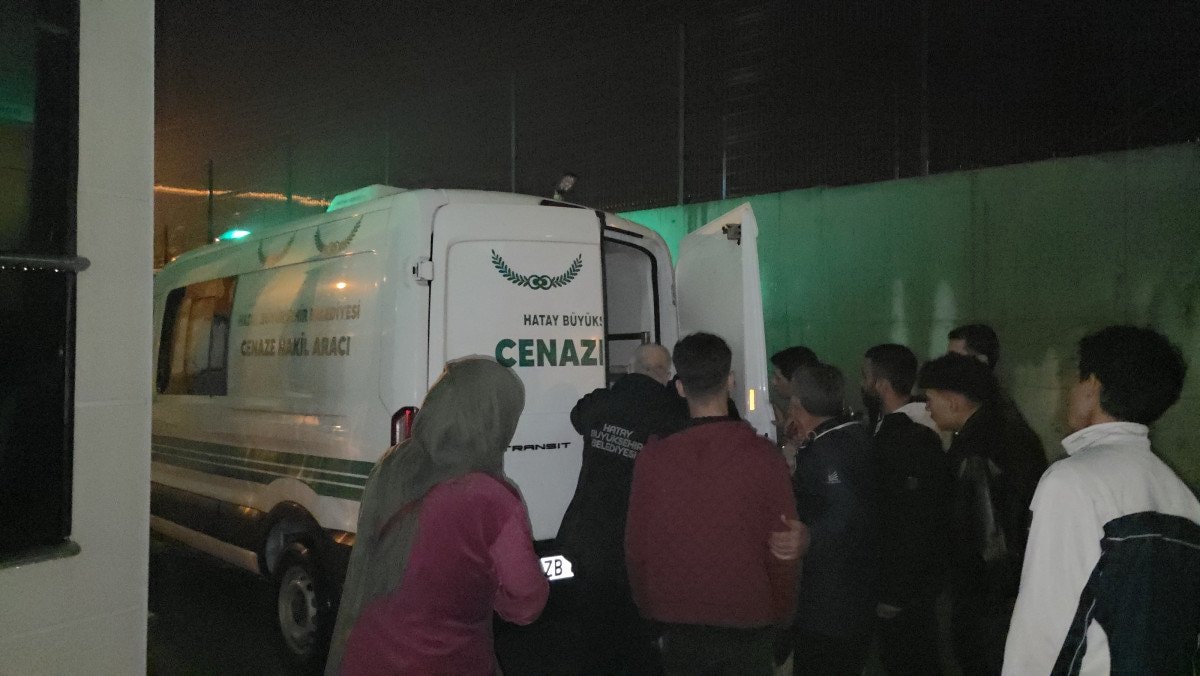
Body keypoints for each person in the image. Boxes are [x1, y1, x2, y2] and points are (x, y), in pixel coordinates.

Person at [325, 358, 548, 675]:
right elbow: (527, 603)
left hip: (365, 654)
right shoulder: (491, 499)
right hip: (442, 661)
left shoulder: (393, 465)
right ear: (493, 422)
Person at [1003, 326, 1200, 675]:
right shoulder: (1182, 496)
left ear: (1092, 386)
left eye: (1074, 379)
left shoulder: (1072, 481)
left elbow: (1045, 628)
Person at [626, 332, 801, 676]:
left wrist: (648, 608)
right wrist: (783, 616)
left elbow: (637, 546)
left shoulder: (654, 458)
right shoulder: (764, 458)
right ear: (731, 381)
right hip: (750, 619)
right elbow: (783, 549)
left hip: (678, 619)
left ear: (680, 388)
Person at [557, 343, 688, 674]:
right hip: (638, 538)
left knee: (592, 625)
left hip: (590, 532)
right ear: (666, 375)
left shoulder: (601, 403)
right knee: (634, 631)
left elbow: (577, 416)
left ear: (630, 369)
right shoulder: (672, 413)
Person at [917, 354, 1047, 676]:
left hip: (986, 597)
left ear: (953, 400)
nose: (927, 408)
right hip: (1014, 588)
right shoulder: (1011, 431)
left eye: (930, 398)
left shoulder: (976, 450)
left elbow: (987, 535)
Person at [861, 345, 952, 676]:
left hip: (907, 585)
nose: (862, 384)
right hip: (919, 579)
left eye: (865, 376)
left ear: (881, 385)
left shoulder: (905, 436)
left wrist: (894, 591)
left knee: (910, 658)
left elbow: (907, 520)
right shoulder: (905, 426)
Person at [788, 362, 878, 675]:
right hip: (856, 592)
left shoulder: (828, 451)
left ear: (797, 404)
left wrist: (809, 537)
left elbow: (844, 509)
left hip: (830, 601)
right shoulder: (854, 434)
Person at [770, 345, 820, 467]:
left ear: (795, 381)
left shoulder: (808, 416)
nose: (773, 382)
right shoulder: (797, 412)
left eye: (778, 378)